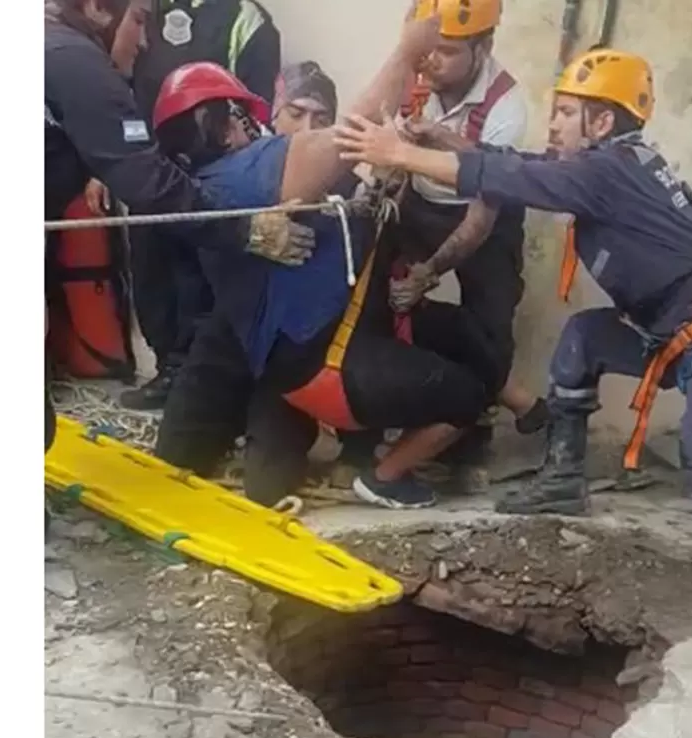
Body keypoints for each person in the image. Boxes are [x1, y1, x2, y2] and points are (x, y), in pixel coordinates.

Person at [335, 48, 692, 671]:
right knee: (583, 341)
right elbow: (516, 164)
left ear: (602, 123)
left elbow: (512, 180)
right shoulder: (611, 164)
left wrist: (401, 154)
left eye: (567, 112)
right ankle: (563, 479)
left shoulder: (605, 172)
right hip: (676, 330)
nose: (554, 122)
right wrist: (442, 138)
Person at [152, 17, 507, 510]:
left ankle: (219, 461)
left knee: (261, 478)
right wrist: (406, 54)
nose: (306, 129)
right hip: (321, 359)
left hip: (299, 353)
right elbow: (346, 140)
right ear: (223, 123)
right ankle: (384, 477)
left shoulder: (220, 187)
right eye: (295, 113)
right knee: (467, 392)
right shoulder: (248, 174)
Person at [44, 0, 312, 455]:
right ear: (96, 9)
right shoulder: (73, 61)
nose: (146, 43)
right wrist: (247, 231)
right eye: (139, 22)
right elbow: (144, 177)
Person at [332, 0, 545, 494]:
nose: (431, 61)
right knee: (365, 293)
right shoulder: (413, 78)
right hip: (419, 199)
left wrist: (428, 272)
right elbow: (392, 169)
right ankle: (359, 441)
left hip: (482, 209)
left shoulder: (506, 107)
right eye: (429, 48)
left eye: (447, 52)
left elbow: (481, 216)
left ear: (484, 48)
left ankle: (467, 449)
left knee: (490, 324)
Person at [111, 0, 285, 412]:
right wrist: (104, 169)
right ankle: (168, 369)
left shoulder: (247, 19)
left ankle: (195, 378)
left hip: (211, 177)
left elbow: (253, 109)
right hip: (149, 170)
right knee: (151, 273)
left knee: (198, 283)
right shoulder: (146, 7)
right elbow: (120, 86)